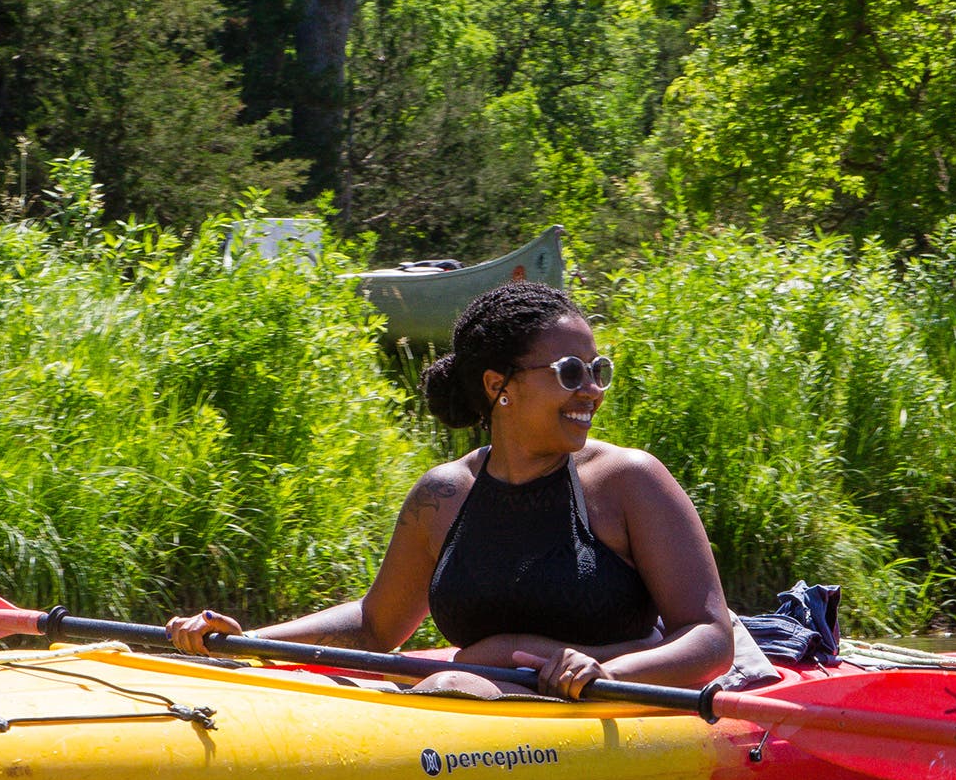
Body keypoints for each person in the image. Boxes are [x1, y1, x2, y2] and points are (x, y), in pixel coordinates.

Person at [168, 281, 734, 700]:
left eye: (598, 370)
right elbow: (374, 625)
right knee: (411, 686)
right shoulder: (443, 495)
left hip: (604, 706)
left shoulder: (629, 481)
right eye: (570, 373)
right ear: (499, 386)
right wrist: (248, 642)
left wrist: (607, 671)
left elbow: (709, 637)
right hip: (470, 707)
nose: (592, 390)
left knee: (447, 685)